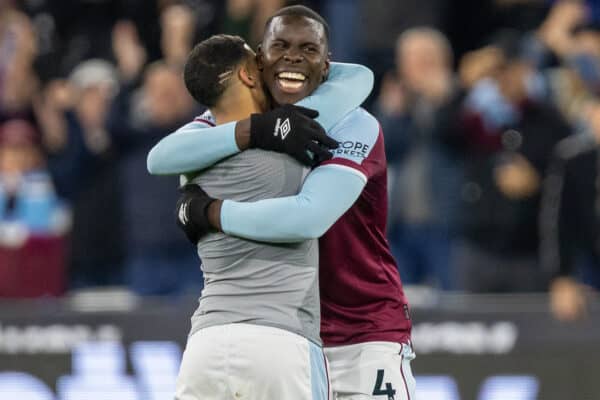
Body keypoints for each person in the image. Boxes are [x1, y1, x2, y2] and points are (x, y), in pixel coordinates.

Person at [149, 6, 416, 400]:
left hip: (362, 333)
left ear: (326, 66)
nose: (293, 57)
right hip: (286, 333)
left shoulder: (355, 124)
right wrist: (252, 130)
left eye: (308, 49)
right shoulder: (238, 119)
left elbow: (310, 216)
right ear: (259, 60)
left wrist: (210, 212)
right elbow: (161, 157)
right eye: (281, 46)